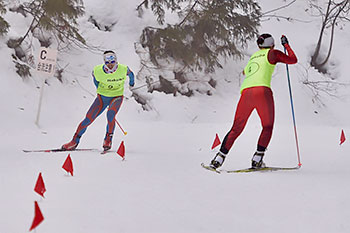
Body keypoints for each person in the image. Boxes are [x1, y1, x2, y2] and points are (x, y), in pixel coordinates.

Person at [209, 33, 297, 169]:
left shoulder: (253, 57)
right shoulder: (272, 53)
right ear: (272, 44)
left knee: (236, 128)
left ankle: (218, 159)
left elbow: (245, 72)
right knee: (267, 126)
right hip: (262, 92)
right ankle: (257, 159)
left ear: (259, 45)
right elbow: (293, 60)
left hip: (246, 93)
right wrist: (286, 45)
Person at [61, 50, 135, 151]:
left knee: (110, 114)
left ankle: (108, 139)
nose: (110, 65)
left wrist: (132, 84)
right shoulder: (97, 71)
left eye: (112, 62)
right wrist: (100, 90)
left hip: (116, 97)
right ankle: (74, 142)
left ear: (116, 60)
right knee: (88, 119)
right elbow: (96, 81)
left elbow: (131, 75)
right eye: (107, 62)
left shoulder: (123, 69)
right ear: (104, 62)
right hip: (102, 98)